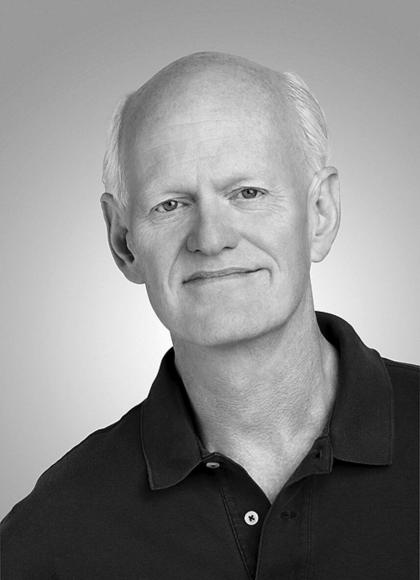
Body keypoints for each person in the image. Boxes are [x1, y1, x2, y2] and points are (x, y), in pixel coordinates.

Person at [1, 51, 418, 579]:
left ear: (320, 213)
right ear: (124, 241)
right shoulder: (57, 531)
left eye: (247, 193)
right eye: (171, 204)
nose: (212, 238)